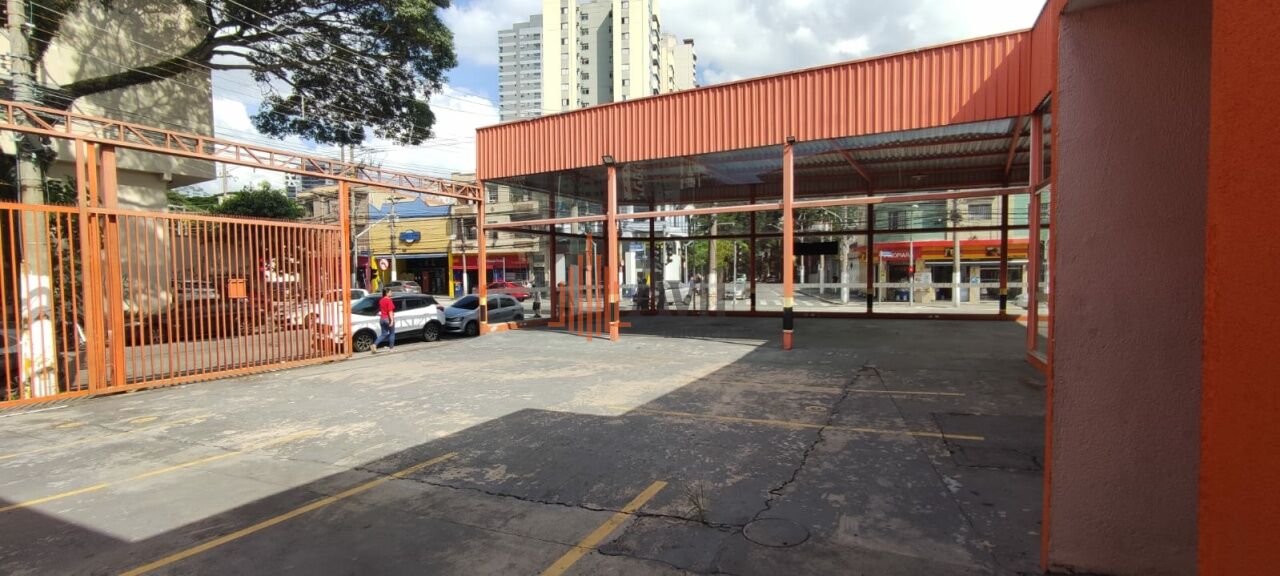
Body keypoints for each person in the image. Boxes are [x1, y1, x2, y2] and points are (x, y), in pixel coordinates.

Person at [370, 288, 395, 353]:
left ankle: (374, 344)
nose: (391, 293)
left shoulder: (381, 300)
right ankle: (391, 348)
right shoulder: (389, 300)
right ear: (387, 293)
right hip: (388, 319)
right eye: (390, 292)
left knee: (383, 334)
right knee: (392, 333)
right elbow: (390, 311)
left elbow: (381, 310)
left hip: (382, 319)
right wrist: (392, 320)